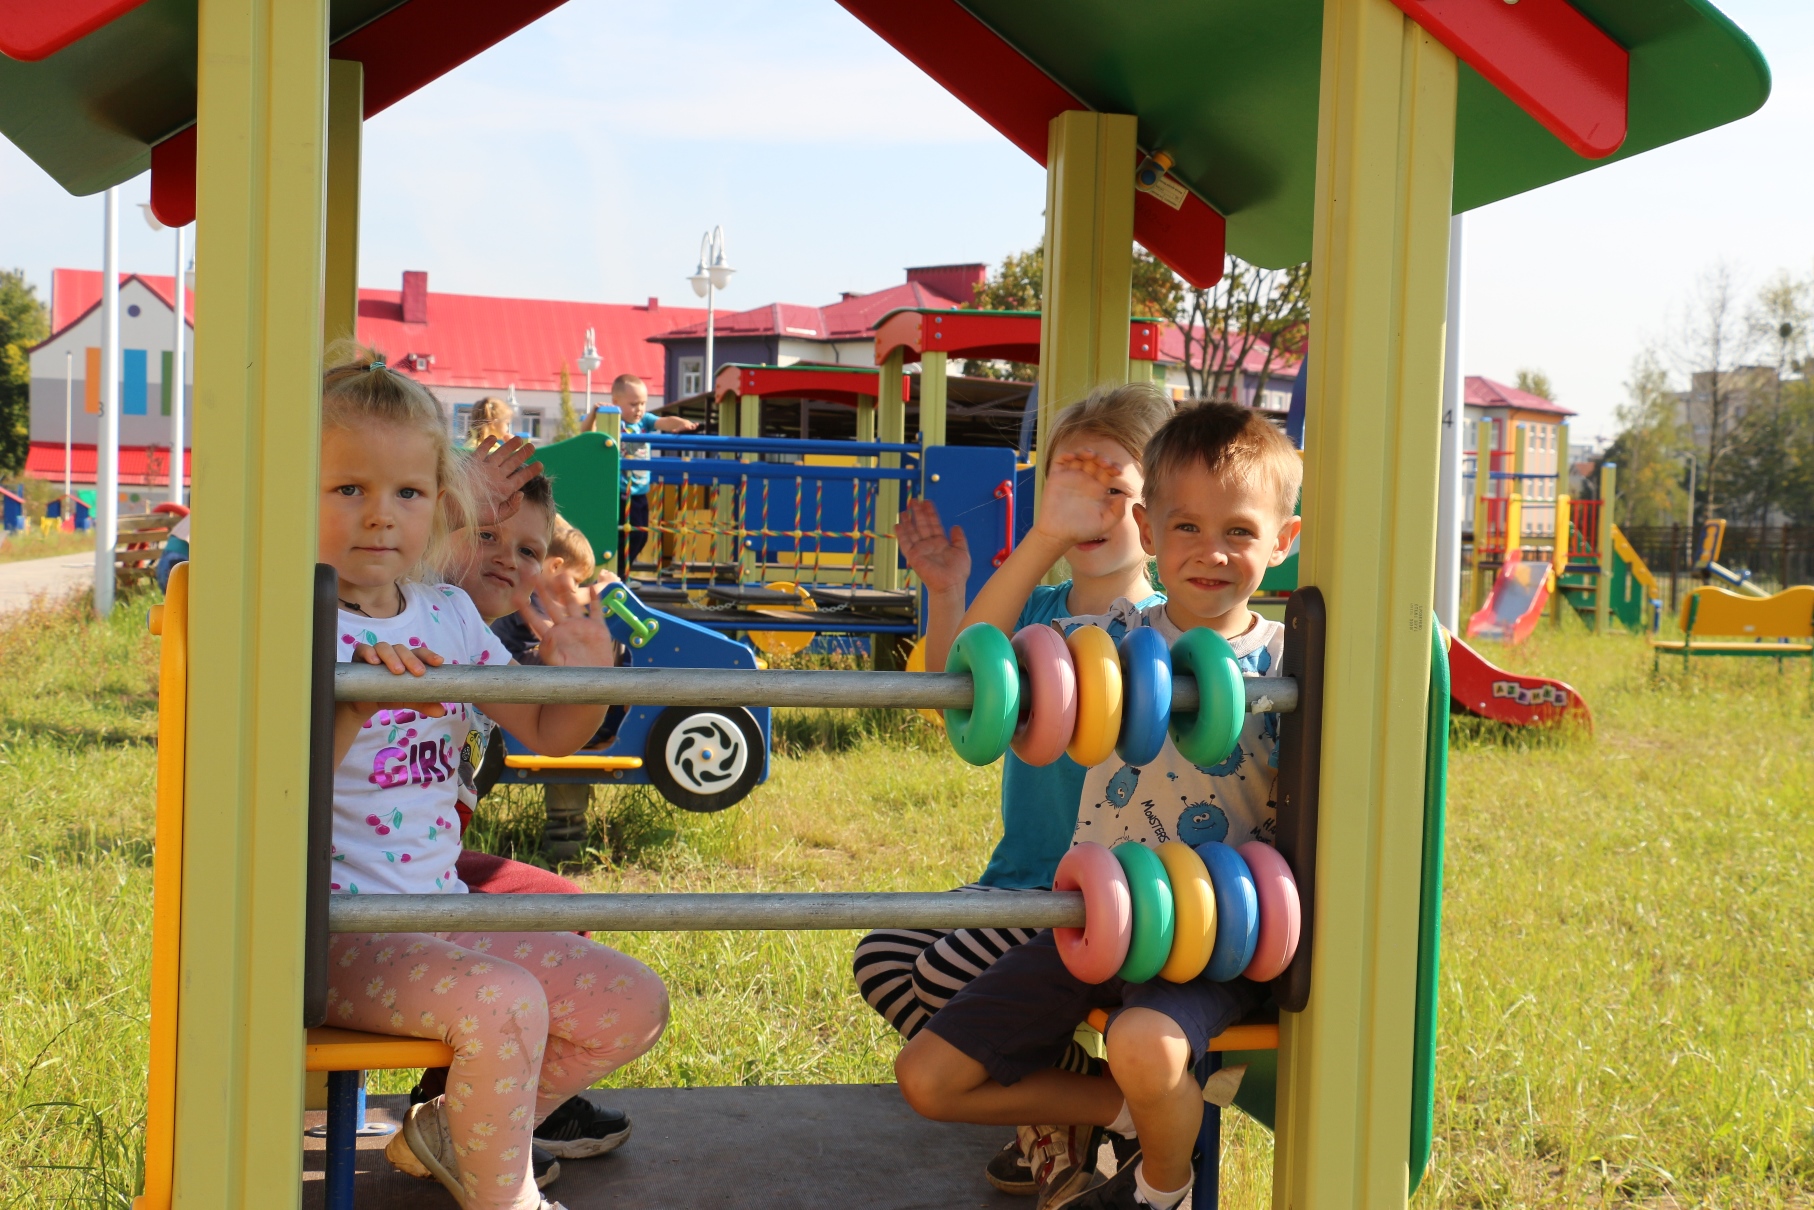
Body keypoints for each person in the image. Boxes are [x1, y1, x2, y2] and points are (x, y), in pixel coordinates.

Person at [893, 401, 1303, 1210]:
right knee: (928, 1079)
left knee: (1144, 1043)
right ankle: (1116, 1111)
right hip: (1092, 923)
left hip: (1210, 937)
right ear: (1148, 531)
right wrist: (1048, 535)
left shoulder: (1288, 662)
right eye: (1186, 528)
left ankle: (1161, 1190)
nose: (1212, 552)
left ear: (1283, 541)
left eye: (1241, 532)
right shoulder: (1107, 640)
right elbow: (972, 677)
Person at [319, 351, 668, 1210]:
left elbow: (547, 730)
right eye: (348, 489)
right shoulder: (289, 614)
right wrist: (352, 705)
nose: (380, 515)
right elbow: (263, 786)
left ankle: (453, 1131)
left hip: (439, 916)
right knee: (503, 1000)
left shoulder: (447, 614)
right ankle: (505, 1194)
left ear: (438, 502)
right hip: (333, 933)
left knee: (631, 1001)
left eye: (407, 492)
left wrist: (586, 678)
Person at [852, 382, 1173, 1194]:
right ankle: (1084, 1110)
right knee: (883, 955)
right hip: (1019, 880)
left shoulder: (1169, 630)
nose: (1089, 510)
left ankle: (1067, 1125)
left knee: (944, 970)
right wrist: (956, 587)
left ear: (1158, 509)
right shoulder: (1033, 609)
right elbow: (955, 684)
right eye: (1068, 485)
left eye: (1113, 490)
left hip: (1099, 900)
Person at [584, 373, 696, 569]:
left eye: (643, 403)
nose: (639, 409)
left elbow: (664, 421)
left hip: (640, 491)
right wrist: (594, 414)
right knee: (625, 535)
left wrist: (681, 423)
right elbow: (587, 435)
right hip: (619, 491)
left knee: (641, 536)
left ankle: (621, 571)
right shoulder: (612, 420)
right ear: (616, 401)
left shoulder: (644, 421)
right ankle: (615, 572)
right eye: (634, 404)